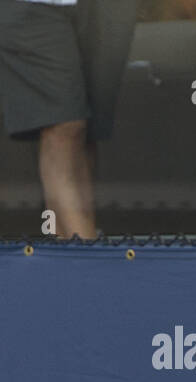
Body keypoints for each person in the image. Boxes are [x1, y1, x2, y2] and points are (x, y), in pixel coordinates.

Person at [0, 0, 139, 238]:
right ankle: (87, 252)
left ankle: (66, 249)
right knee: (65, 125)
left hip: (102, 9)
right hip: (32, 7)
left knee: (85, 134)